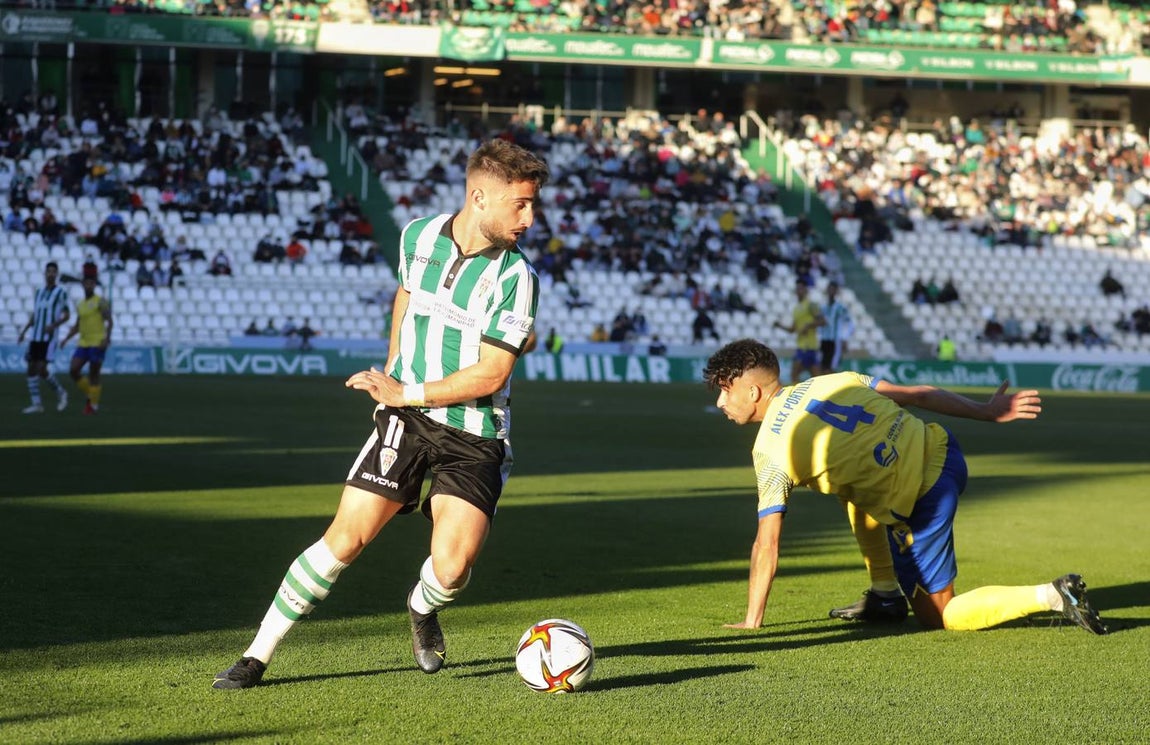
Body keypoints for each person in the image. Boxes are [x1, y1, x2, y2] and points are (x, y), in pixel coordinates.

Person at [212, 138, 551, 689]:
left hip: (475, 433)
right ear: (479, 197)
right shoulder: (417, 235)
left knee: (452, 568)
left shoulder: (517, 278)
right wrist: (395, 365)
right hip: (407, 418)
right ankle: (256, 655)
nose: (531, 218)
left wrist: (404, 391)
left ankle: (421, 606)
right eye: (521, 204)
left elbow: (492, 375)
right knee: (344, 537)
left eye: (533, 204)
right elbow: (406, 295)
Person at [701, 339, 1107, 635]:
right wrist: (986, 411)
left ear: (752, 391)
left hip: (922, 500)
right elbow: (919, 394)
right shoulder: (833, 380)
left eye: (724, 390)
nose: (720, 403)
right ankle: (884, 594)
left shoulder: (770, 450)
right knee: (849, 485)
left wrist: (752, 620)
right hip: (945, 452)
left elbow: (766, 544)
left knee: (940, 617)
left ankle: (1052, 595)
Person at [17, 261, 71, 414]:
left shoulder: (61, 293)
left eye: (54, 271)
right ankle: (37, 404)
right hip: (35, 336)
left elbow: (67, 315)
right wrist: (24, 331)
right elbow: (36, 314)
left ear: (57, 274)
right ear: (45, 273)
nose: (51, 274)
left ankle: (61, 392)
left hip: (49, 338)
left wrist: (53, 325)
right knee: (30, 368)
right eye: (49, 271)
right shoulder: (39, 292)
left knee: (41, 368)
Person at [58, 271, 113, 415]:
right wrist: (66, 339)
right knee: (73, 370)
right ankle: (91, 395)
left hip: (97, 341)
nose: (88, 285)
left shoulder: (100, 301)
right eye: (86, 283)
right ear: (82, 284)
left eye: (91, 283)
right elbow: (77, 325)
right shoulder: (80, 304)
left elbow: (109, 321)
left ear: (94, 285)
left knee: (94, 374)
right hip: (83, 342)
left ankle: (93, 406)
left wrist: (106, 339)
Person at [773, 280, 824, 383]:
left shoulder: (811, 305)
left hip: (810, 346)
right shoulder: (796, 309)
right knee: (805, 375)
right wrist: (780, 326)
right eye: (797, 289)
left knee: (799, 374)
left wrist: (809, 325)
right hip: (802, 346)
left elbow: (822, 321)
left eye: (801, 288)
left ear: (805, 290)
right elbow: (793, 329)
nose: (798, 291)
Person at [817, 281, 852, 375]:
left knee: (832, 367)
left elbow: (849, 323)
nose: (831, 291)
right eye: (830, 288)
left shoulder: (840, 307)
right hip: (824, 340)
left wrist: (845, 338)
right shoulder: (823, 307)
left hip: (835, 341)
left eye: (833, 289)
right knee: (822, 366)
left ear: (836, 291)